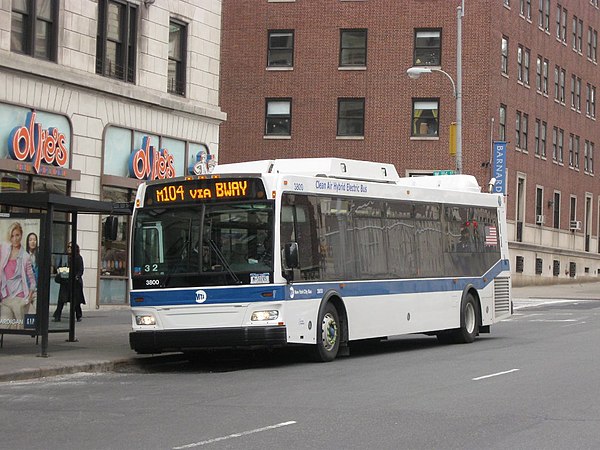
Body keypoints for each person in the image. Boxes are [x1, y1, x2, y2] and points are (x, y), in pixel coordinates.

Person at [0, 222, 37, 330]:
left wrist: (29, 298)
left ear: (21, 235)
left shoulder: (25, 256)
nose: (15, 238)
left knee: (22, 324)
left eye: (17, 235)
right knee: (5, 324)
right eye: (12, 236)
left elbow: (32, 281)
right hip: (5, 297)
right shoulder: (3, 251)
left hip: (19, 297)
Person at [53, 242, 86, 322]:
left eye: (71, 247)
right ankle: (57, 316)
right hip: (65, 281)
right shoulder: (65, 257)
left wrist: (77, 276)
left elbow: (80, 270)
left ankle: (78, 315)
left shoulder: (78, 258)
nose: (69, 249)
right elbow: (59, 267)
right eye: (68, 247)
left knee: (75, 301)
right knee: (61, 300)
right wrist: (60, 271)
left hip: (75, 283)